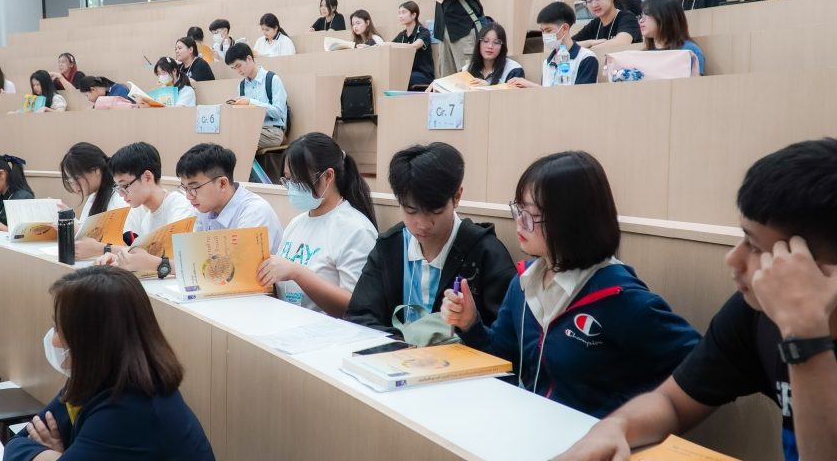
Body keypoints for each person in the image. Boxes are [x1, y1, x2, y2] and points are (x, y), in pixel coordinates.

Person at [554, 138, 837, 461]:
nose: (733, 259)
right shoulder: (755, 314)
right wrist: (615, 427)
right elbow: (672, 402)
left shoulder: (791, 321)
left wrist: (805, 335)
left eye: (755, 246)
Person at [442, 151, 700, 418]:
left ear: (570, 220)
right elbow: (502, 358)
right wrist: (470, 324)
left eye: (530, 215)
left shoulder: (619, 296)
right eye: (518, 209)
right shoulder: (524, 282)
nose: (519, 222)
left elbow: (697, 363)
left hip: (592, 439)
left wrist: (627, 420)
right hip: (529, 427)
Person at [3, 266, 214, 461]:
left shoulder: (130, 410)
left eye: (59, 328)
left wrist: (57, 455)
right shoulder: (98, 378)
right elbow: (16, 445)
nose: (54, 341)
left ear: (91, 341)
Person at [346, 143, 515, 338]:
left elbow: (507, 341)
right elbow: (359, 318)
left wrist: (471, 324)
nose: (423, 224)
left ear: (457, 196)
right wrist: (406, 346)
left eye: (435, 211)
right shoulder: (389, 247)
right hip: (396, 355)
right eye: (411, 211)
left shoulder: (486, 253)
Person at [256, 133, 378, 317]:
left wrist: (297, 273)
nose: (292, 187)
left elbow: (356, 306)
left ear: (328, 176)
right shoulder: (297, 223)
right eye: (287, 179)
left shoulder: (356, 229)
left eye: (298, 180)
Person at [93, 143, 195, 273]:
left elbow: (184, 263)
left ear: (147, 177)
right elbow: (143, 259)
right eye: (118, 188)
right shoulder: (146, 219)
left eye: (125, 186)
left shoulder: (179, 206)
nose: (122, 194)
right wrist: (118, 259)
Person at [175, 143, 283, 254]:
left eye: (194, 187)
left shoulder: (255, 212)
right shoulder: (202, 208)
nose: (188, 196)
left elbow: (240, 262)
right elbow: (194, 255)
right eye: (185, 188)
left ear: (222, 183)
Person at [62, 143, 135, 260]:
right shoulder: (94, 196)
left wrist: (99, 249)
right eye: (70, 181)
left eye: (76, 178)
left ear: (96, 170)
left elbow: (132, 250)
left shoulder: (121, 200)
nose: (74, 186)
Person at [510, 1, 597, 88]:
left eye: (548, 30)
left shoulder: (586, 58)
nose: (544, 35)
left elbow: (582, 95)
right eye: (542, 31)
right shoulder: (547, 63)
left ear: (565, 28)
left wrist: (532, 86)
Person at [225, 43, 288, 149]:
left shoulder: (272, 79)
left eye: (238, 66)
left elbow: (278, 112)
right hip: (251, 130)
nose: (237, 71)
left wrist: (250, 102)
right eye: (233, 68)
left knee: (239, 139)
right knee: (228, 135)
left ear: (249, 59)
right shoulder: (241, 86)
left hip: (273, 131)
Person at [640, 0, 707, 76]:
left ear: (665, 16)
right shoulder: (642, 55)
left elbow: (695, 83)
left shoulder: (689, 51)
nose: (641, 21)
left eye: (647, 14)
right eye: (641, 16)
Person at [572, 0, 642, 49]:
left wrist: (590, 49)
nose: (594, 5)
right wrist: (590, 43)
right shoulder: (595, 24)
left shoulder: (627, 18)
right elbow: (568, 45)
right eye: (589, 1)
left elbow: (622, 42)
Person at [392, 0, 435, 90]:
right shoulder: (401, 35)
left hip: (423, 74)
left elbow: (413, 46)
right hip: (406, 73)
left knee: (405, 78)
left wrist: (390, 44)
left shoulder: (424, 32)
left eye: (404, 12)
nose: (400, 16)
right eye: (399, 13)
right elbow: (390, 46)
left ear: (413, 15)